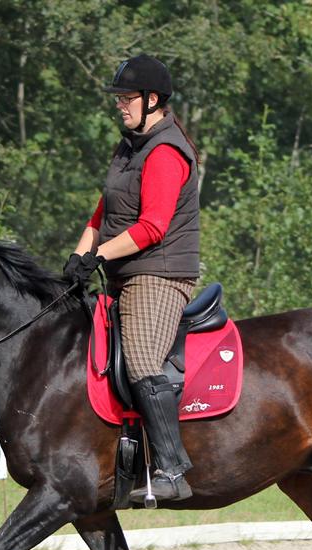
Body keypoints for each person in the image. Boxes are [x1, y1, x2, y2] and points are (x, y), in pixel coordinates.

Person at [65, 54, 201, 502]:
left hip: (159, 276)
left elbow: (152, 227)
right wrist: (79, 257)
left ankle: (172, 467)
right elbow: (103, 212)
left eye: (127, 98)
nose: (120, 105)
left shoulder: (165, 151)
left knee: (142, 358)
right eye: (120, 98)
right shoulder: (128, 147)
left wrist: (98, 255)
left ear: (153, 100)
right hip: (122, 273)